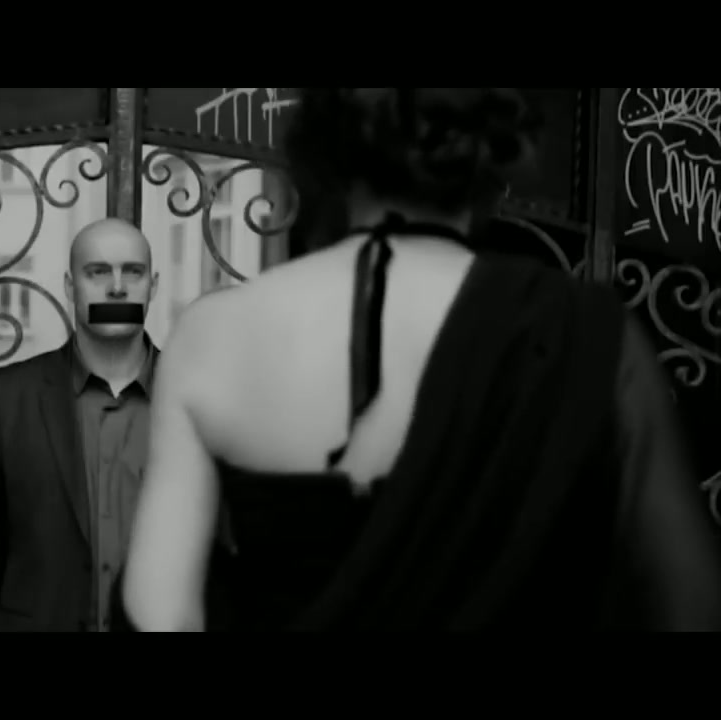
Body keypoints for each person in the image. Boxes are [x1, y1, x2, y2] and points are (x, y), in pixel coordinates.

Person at [119, 88, 721, 632]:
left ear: (321, 151)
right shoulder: (586, 331)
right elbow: (689, 603)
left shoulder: (213, 336)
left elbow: (159, 615)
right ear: (492, 154)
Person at [0, 218, 162, 632]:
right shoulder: (4, 399)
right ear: (70, 286)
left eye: (133, 272)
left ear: (152, 286)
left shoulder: (195, 397)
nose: (117, 288)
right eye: (98, 272)